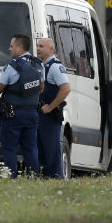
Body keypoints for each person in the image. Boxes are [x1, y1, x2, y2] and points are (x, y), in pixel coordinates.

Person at [0, 34, 44, 178]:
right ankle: (33, 176)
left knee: (10, 148)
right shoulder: (38, 64)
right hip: (32, 114)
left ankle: (12, 177)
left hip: (13, 114)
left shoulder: (12, 66)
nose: (9, 49)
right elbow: (41, 87)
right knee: (31, 148)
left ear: (20, 48)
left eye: (11, 46)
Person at [36, 38, 71, 178]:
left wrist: (51, 106)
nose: (38, 48)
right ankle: (45, 177)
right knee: (42, 149)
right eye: (37, 45)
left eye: (41, 46)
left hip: (50, 116)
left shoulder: (56, 66)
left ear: (51, 49)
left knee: (51, 149)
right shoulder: (43, 66)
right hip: (41, 115)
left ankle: (55, 178)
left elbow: (66, 89)